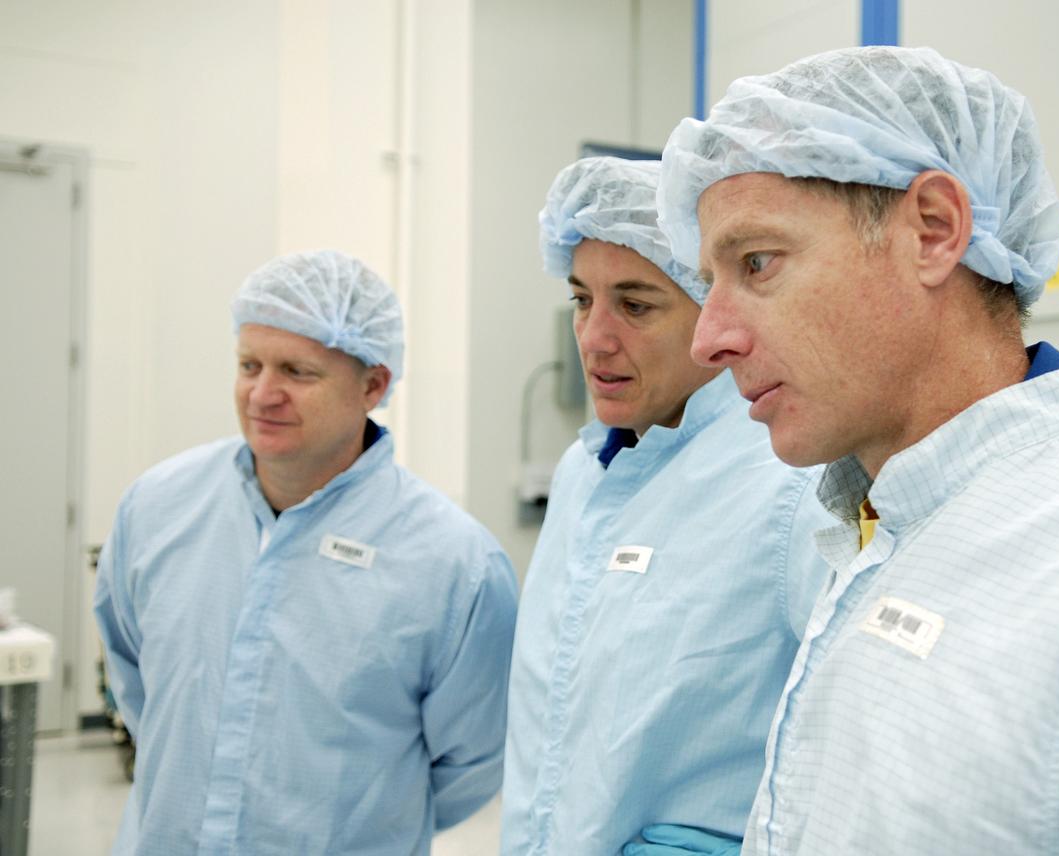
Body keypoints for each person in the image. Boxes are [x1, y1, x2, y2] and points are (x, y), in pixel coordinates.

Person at [657, 45, 1059, 855]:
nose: (709, 339)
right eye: (710, 282)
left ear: (934, 230)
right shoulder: (876, 538)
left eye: (757, 262)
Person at [94, 250, 518, 855]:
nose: (263, 394)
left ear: (374, 384)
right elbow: (141, 687)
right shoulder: (159, 507)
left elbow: (473, 760)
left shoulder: (454, 563)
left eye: (297, 371)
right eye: (249, 365)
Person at [500, 157, 831, 855]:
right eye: (581, 300)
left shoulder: (790, 480)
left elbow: (853, 742)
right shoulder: (583, 471)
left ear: (714, 308)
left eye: (636, 304)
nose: (594, 337)